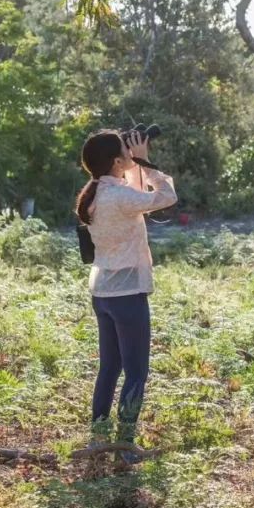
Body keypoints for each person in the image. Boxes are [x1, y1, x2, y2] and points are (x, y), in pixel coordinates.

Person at [74, 129, 176, 461]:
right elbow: (165, 196)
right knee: (135, 371)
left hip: (103, 291)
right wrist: (145, 161)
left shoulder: (97, 194)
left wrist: (131, 162)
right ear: (117, 161)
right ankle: (125, 447)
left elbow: (132, 189)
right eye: (125, 152)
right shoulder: (118, 197)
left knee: (110, 368)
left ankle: (98, 439)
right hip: (128, 294)